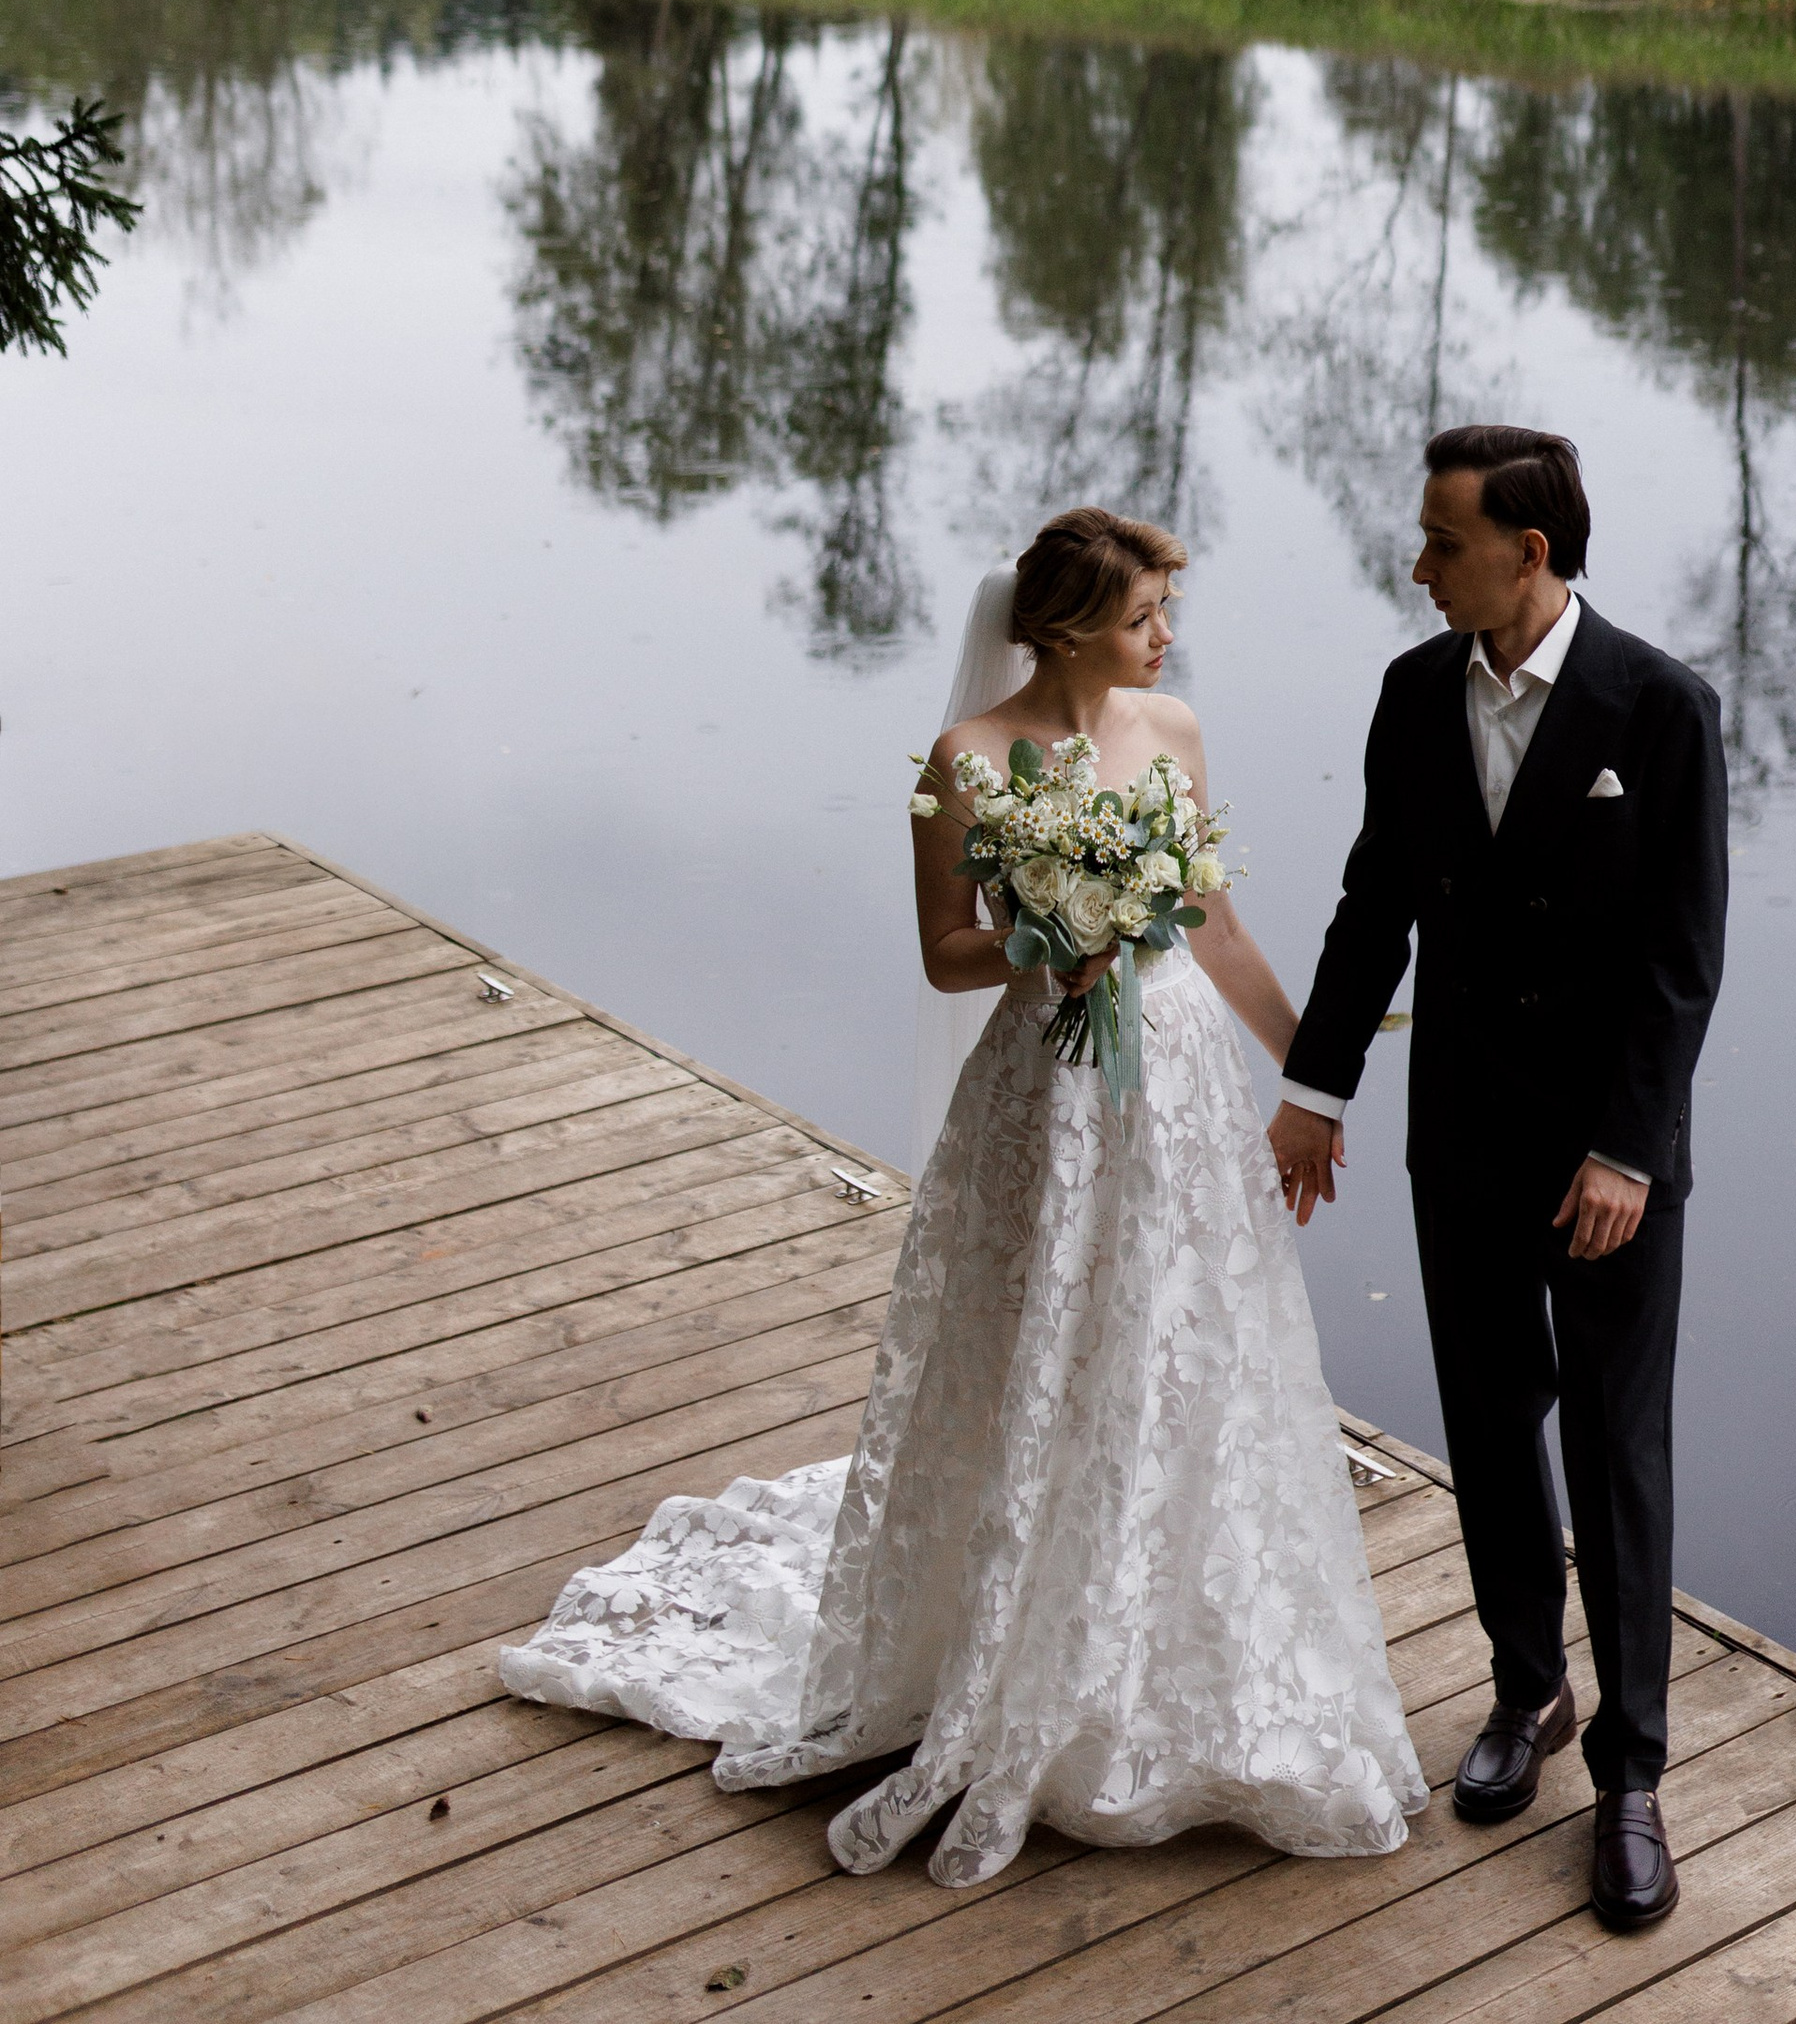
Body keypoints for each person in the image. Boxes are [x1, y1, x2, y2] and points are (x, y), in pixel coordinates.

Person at [502, 506, 1423, 1887]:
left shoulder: (1169, 731)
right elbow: (942, 952)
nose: (1164, 637)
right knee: (1037, 1340)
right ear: (1061, 626)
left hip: (1172, 1083)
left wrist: (1313, 1075)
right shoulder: (962, 757)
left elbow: (1217, 927)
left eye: (1166, 612)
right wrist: (1050, 932)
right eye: (1141, 615)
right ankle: (1004, 1635)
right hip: (1043, 1086)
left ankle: (1152, 1631)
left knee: (1176, 1344)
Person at [1270, 424, 1727, 1934]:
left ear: (1529, 554)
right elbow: (1373, 900)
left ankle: (1635, 1771)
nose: (1416, 563)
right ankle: (1529, 1687)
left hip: (1605, 1159)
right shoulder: (1414, 693)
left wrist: (1628, 1152)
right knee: (1487, 1414)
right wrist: (1317, 1086)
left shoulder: (1660, 709)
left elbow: (1679, 965)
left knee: (1615, 1439)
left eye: (1441, 540)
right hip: (1456, 1135)